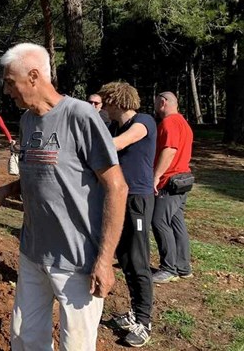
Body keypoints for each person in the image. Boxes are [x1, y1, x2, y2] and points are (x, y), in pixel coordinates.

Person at [0, 43, 128, 350]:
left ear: (33, 76)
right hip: (33, 251)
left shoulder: (80, 115)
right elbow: (40, 174)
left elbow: (116, 186)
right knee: (24, 338)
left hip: (77, 259)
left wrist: (104, 260)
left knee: (75, 345)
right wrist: (5, 191)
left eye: (10, 83)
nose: (7, 91)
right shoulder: (28, 121)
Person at [99, 82, 157, 347]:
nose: (105, 109)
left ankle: (144, 321)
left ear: (116, 101)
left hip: (138, 199)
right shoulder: (113, 126)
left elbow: (121, 143)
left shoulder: (143, 121)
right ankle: (135, 311)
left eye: (106, 103)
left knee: (138, 260)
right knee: (124, 258)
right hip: (117, 197)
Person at [151, 91, 194, 284]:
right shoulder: (184, 123)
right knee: (177, 223)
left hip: (169, 181)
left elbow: (169, 150)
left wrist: (156, 176)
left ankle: (169, 268)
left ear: (163, 102)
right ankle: (184, 267)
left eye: (155, 102)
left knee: (159, 221)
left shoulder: (169, 123)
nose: (155, 107)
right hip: (183, 180)